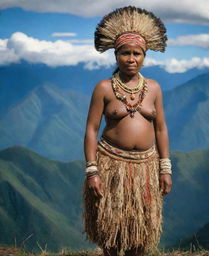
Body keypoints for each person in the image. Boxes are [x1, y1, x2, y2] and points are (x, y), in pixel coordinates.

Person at [83, 6, 172, 256]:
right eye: (125, 53)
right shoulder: (104, 88)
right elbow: (91, 130)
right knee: (111, 231)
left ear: (145, 56)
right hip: (111, 166)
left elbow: (161, 128)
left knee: (140, 232)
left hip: (146, 168)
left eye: (137, 53)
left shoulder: (154, 88)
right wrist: (92, 171)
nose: (131, 59)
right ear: (116, 55)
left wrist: (165, 169)